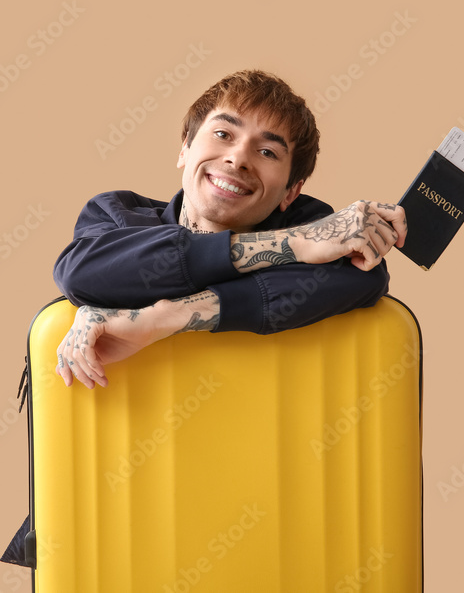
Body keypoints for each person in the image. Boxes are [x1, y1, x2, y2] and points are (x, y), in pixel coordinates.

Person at [51, 69, 407, 389]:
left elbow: (364, 275)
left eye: (267, 152)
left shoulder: (307, 219)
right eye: (223, 133)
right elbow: (81, 275)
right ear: (185, 149)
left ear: (291, 191)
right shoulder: (117, 215)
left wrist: (163, 318)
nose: (238, 158)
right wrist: (298, 246)